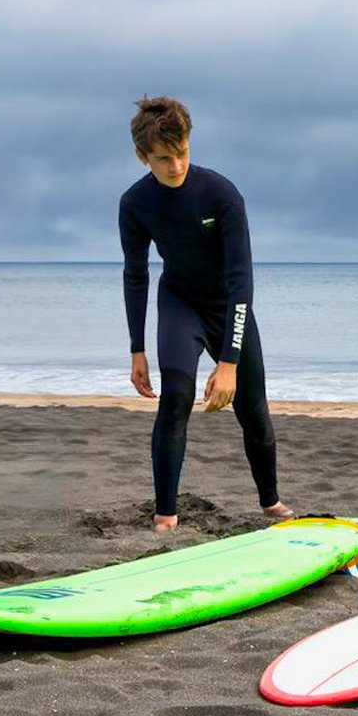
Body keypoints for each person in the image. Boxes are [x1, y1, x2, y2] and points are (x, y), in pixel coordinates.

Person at [118, 96, 293, 533]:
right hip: (179, 302)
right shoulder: (135, 204)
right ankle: (165, 517)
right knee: (175, 398)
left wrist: (229, 362)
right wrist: (137, 349)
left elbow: (241, 280)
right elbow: (135, 275)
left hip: (228, 304)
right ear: (143, 157)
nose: (175, 165)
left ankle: (270, 502)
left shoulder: (221, 195)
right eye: (163, 158)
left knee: (252, 410)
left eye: (182, 154)